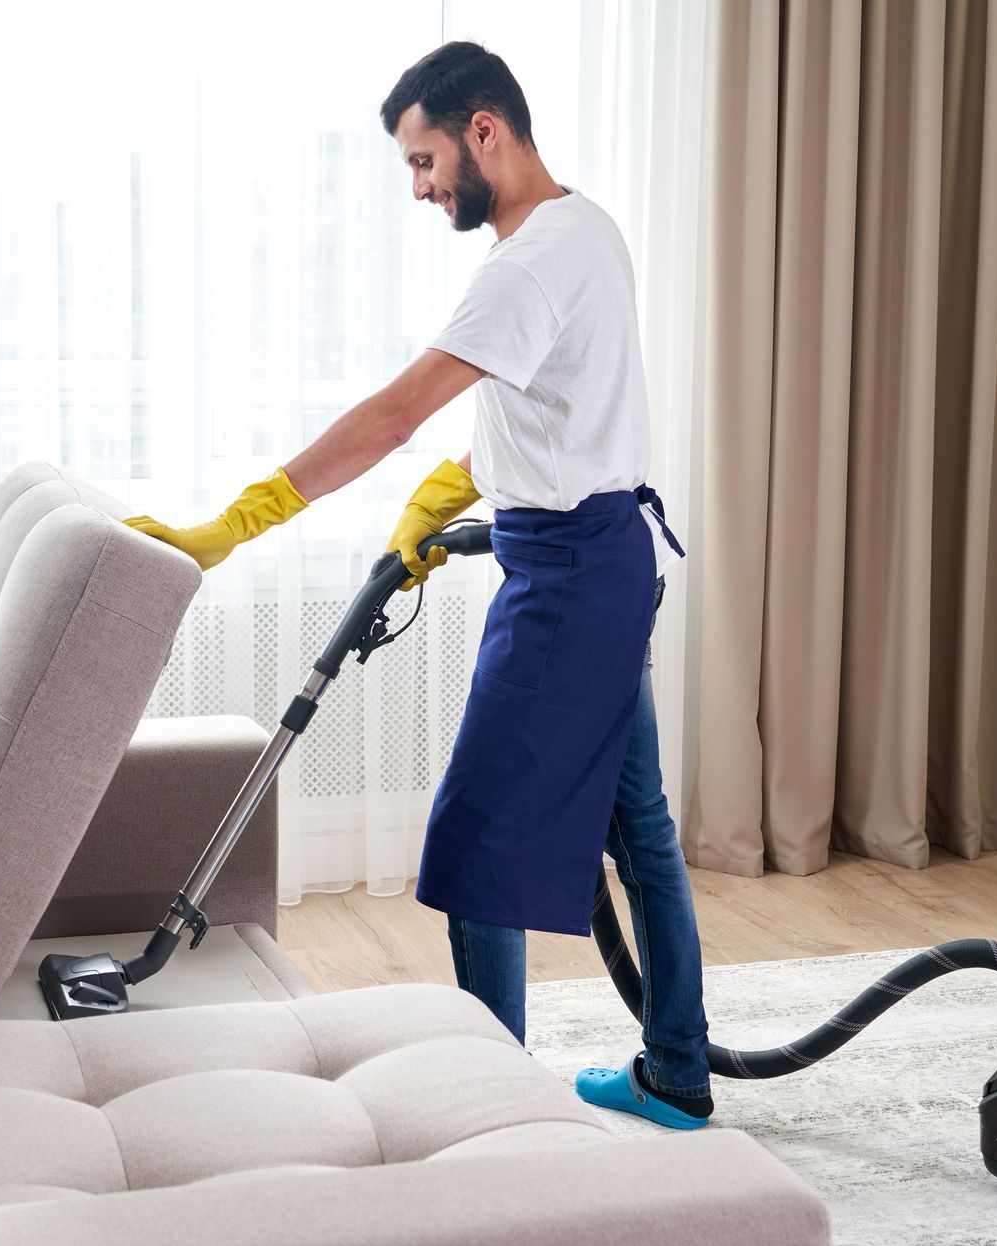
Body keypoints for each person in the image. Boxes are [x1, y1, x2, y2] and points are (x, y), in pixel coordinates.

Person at [125, 41, 712, 1129]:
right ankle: (677, 1069)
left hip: (570, 581)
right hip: (601, 557)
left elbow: (395, 417)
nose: (422, 185)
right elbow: (549, 419)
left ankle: (493, 1113)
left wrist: (239, 522)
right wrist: (438, 506)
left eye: (425, 157)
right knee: (639, 827)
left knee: (477, 840)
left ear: (484, 128)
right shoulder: (584, 229)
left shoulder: (525, 267)